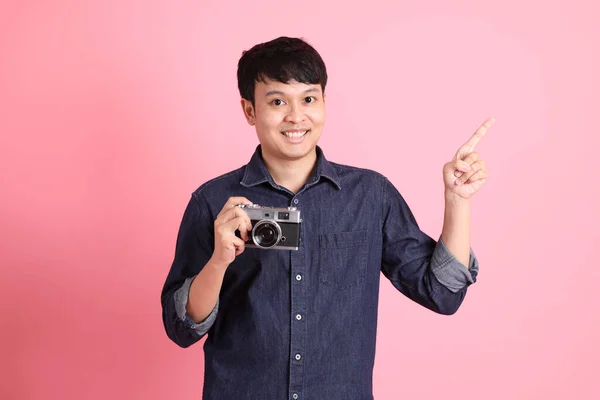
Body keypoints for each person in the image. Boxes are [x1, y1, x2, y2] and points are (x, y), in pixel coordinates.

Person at [161, 36, 493, 400]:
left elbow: (442, 294)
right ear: (249, 110)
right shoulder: (213, 202)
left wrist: (457, 201)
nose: (296, 116)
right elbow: (182, 328)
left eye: (308, 99)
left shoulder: (370, 195)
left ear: (323, 102)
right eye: (276, 102)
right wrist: (219, 262)